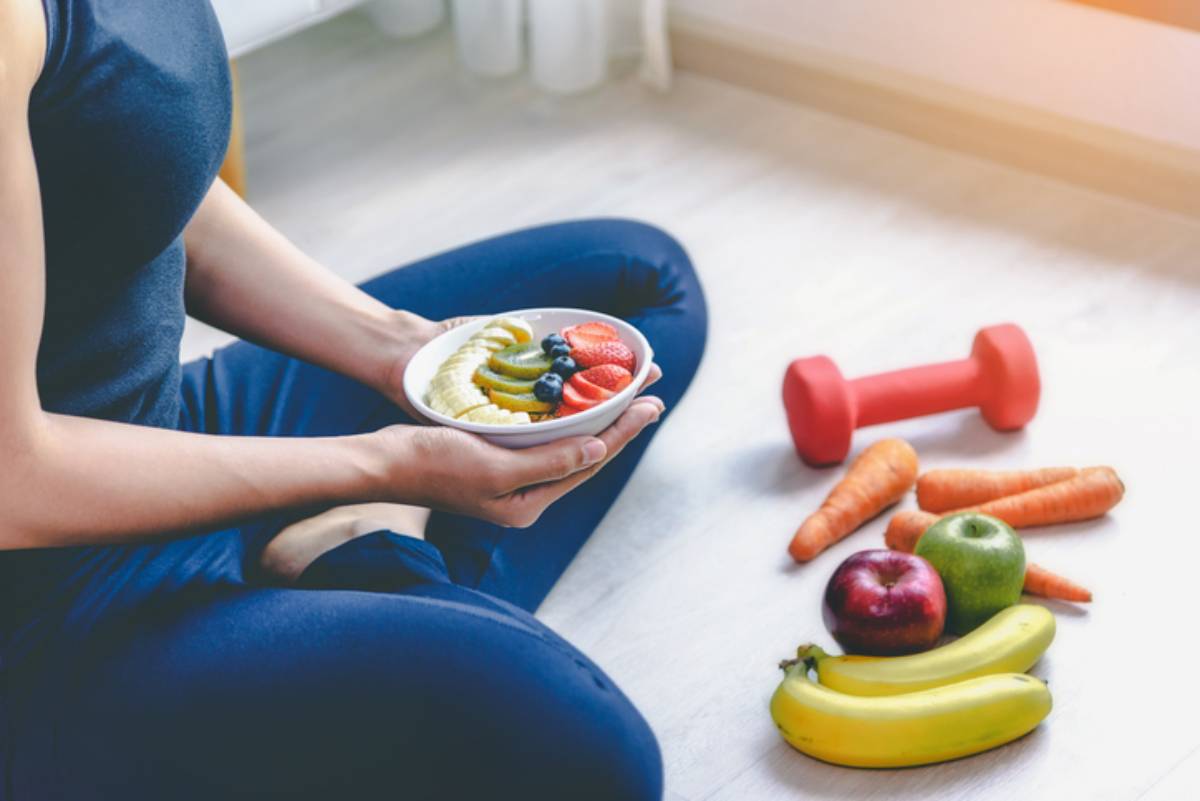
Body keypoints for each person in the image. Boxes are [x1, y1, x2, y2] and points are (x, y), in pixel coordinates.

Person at [0, 0, 707, 798]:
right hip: (50, 607)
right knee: (594, 757)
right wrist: (378, 471)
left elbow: (131, 160)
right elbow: (12, 476)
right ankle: (372, 554)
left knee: (640, 283)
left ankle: (346, 598)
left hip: (165, 424)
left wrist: (400, 348)